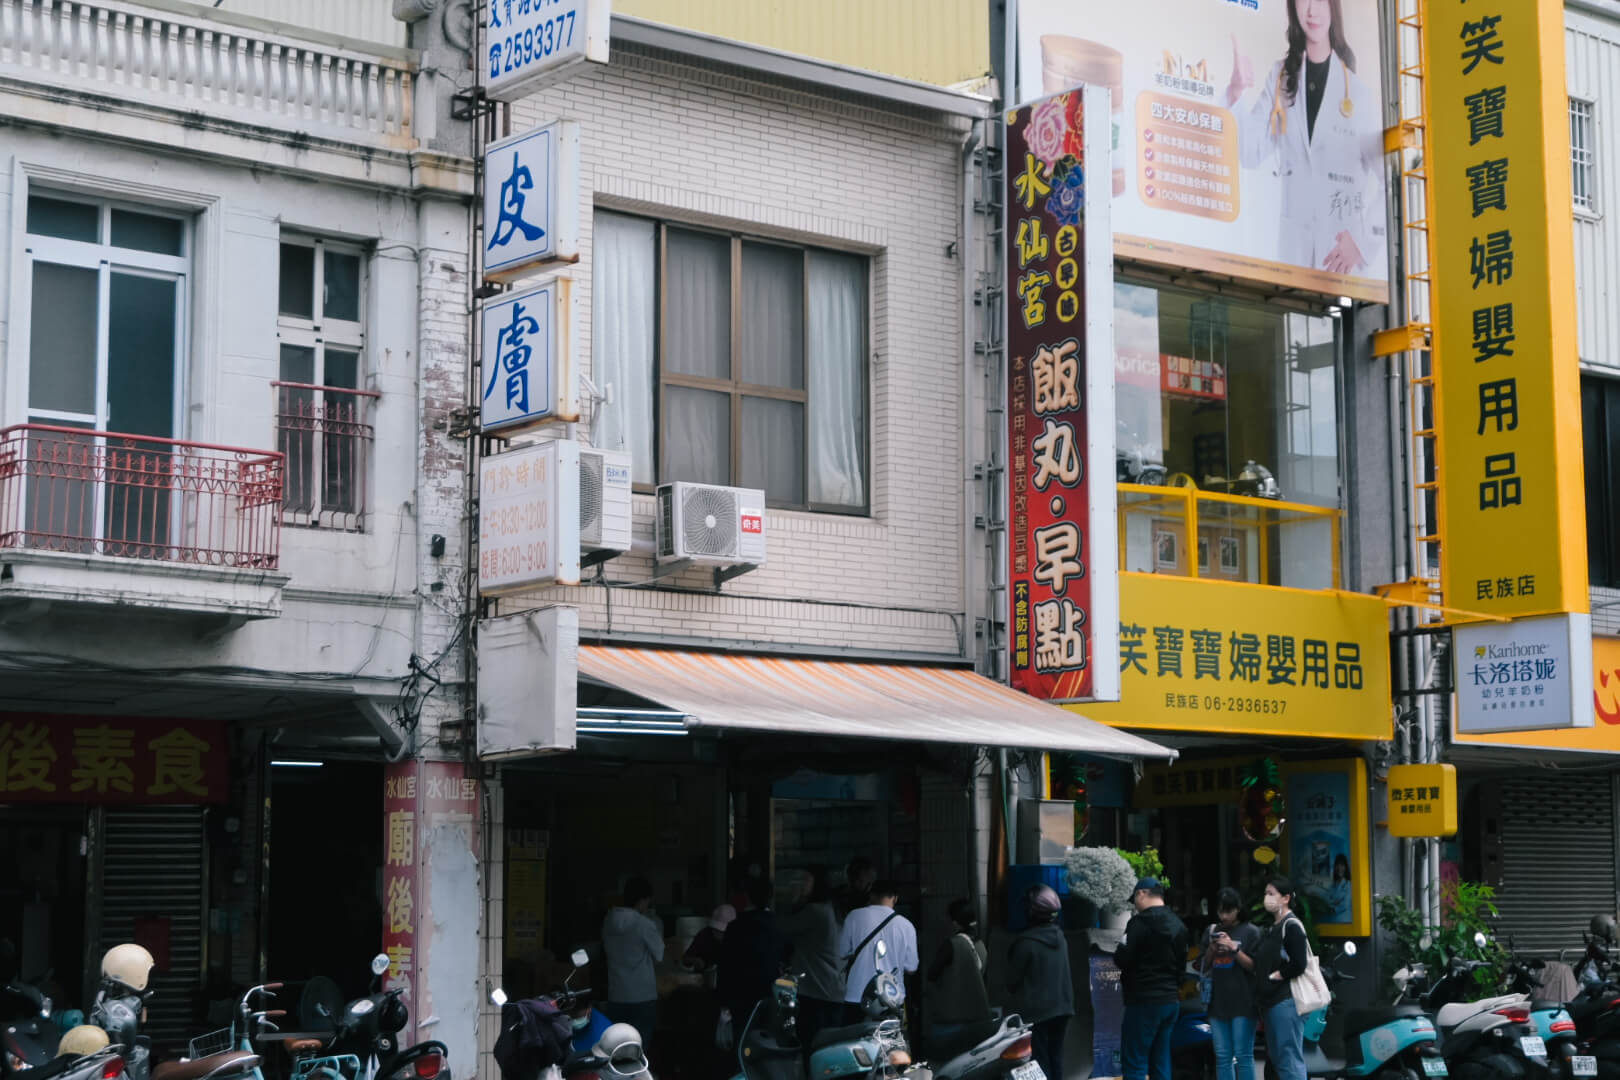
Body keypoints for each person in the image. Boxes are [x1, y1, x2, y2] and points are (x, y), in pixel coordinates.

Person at [1225, 0, 1384, 278]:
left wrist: (1362, 242)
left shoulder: (1357, 93)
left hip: (1340, 260)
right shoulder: (1280, 78)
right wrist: (1236, 93)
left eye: (1320, 0)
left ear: (1333, 7)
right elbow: (1249, 153)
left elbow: (1391, 181)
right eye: (1303, 0)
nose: (1312, 10)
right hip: (1293, 254)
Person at [1113, 878, 1189, 1080]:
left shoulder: (1138, 923)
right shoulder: (1178, 924)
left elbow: (1122, 958)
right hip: (1170, 1001)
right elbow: (1182, 965)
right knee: (1161, 1060)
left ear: (1142, 893)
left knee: (1135, 1062)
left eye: (1135, 899)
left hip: (1143, 1001)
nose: (1135, 904)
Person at [1006, 886, 1074, 1080]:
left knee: (1040, 1061)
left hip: (1038, 1014)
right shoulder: (1060, 937)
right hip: (1063, 1009)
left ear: (1031, 912)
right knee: (1056, 1058)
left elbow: (1011, 982)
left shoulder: (1025, 943)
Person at [776, 866, 844, 1051]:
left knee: (812, 1044)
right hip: (831, 989)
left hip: (816, 989)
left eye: (805, 882)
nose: (801, 887)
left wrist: (791, 899)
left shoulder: (815, 912)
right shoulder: (829, 909)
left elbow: (782, 926)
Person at [1253, 877, 1310, 1080]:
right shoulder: (1274, 926)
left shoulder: (1291, 925)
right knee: (1279, 1059)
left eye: (1271, 894)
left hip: (1286, 1001)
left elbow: (1299, 963)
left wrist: (1278, 975)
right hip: (1273, 1003)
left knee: (1288, 1059)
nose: (1266, 898)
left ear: (1286, 898)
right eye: (1266, 893)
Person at [1201, 888, 1260, 1080]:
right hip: (1217, 1002)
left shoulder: (1251, 932)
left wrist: (1234, 949)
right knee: (1222, 1056)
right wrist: (1212, 947)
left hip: (1243, 1003)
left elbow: (1254, 967)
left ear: (1238, 909)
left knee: (1243, 1055)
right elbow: (1204, 966)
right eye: (1220, 911)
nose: (1223, 916)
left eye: (1228, 911)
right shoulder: (1213, 931)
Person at [839, 881, 918, 1021]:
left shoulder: (854, 916)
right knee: (891, 1041)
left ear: (871, 895)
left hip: (857, 995)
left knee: (853, 1039)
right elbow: (911, 968)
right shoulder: (906, 926)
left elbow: (842, 952)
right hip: (892, 998)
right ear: (895, 898)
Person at [717, 877, 788, 1034]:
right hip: (770, 993)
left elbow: (725, 965)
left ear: (748, 897)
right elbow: (786, 958)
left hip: (740, 995)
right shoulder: (779, 925)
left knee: (741, 1039)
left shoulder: (736, 927)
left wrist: (723, 1001)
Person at [601, 877, 665, 1049]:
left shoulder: (608, 921)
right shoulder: (644, 924)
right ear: (644, 899)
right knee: (639, 1049)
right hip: (643, 997)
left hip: (616, 995)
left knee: (616, 1049)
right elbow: (659, 955)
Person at [927, 899, 993, 1039]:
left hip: (952, 1015)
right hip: (977, 1016)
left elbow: (932, 974)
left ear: (955, 922)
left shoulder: (953, 944)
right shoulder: (980, 944)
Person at [682, 904, 736, 974]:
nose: (718, 935)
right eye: (715, 930)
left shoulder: (739, 938)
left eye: (722, 932)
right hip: (704, 977)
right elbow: (685, 959)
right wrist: (694, 960)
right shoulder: (704, 935)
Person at [1328, 856, 1352, 922]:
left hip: (1345, 920)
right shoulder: (1332, 885)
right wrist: (1336, 902)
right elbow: (1328, 901)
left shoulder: (1348, 884)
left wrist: (1334, 907)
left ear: (1346, 867)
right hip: (1334, 920)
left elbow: (1345, 904)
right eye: (1337, 865)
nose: (1339, 868)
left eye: (1342, 865)